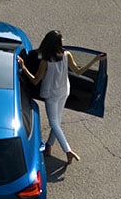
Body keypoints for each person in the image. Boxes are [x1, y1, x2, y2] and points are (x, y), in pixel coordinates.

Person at [18, 30, 105, 165]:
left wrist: (23, 67)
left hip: (51, 95)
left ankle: (68, 151)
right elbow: (78, 71)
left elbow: (35, 80)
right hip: (64, 91)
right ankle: (49, 146)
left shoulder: (45, 61)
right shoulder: (66, 54)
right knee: (57, 121)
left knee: (54, 122)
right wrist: (94, 60)